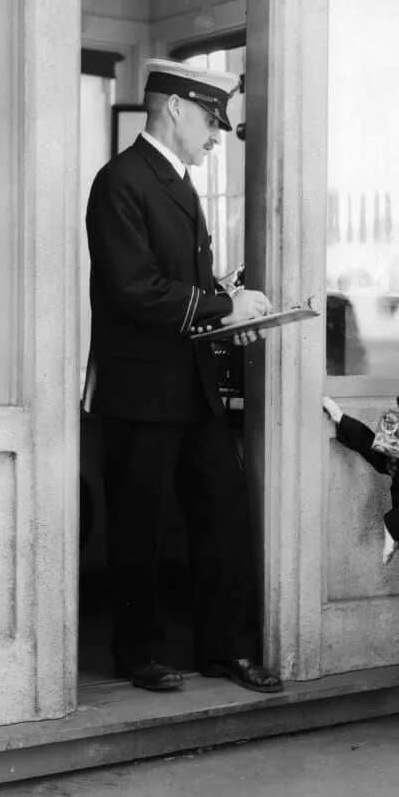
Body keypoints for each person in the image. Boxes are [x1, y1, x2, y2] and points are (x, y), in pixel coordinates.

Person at [84, 58, 282, 694]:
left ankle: (225, 648)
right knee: (137, 524)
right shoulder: (119, 181)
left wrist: (227, 305)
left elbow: (179, 288)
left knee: (223, 510)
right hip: (140, 391)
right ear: (173, 107)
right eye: (208, 119)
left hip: (188, 384)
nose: (216, 135)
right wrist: (224, 305)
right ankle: (136, 654)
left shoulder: (176, 182)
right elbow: (133, 290)